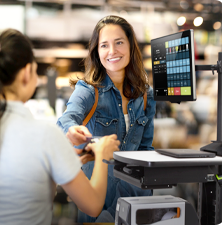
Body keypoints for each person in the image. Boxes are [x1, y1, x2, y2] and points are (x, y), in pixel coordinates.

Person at [0, 28, 120, 225]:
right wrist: (103, 156)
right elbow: (93, 205)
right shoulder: (45, 134)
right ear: (27, 72)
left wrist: (66, 164)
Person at [57, 15, 156, 222]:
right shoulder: (88, 90)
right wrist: (71, 130)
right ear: (97, 51)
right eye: (104, 45)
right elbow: (67, 119)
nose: (112, 51)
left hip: (136, 201)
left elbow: (146, 150)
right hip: (98, 203)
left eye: (119, 42)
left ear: (130, 46)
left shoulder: (146, 95)